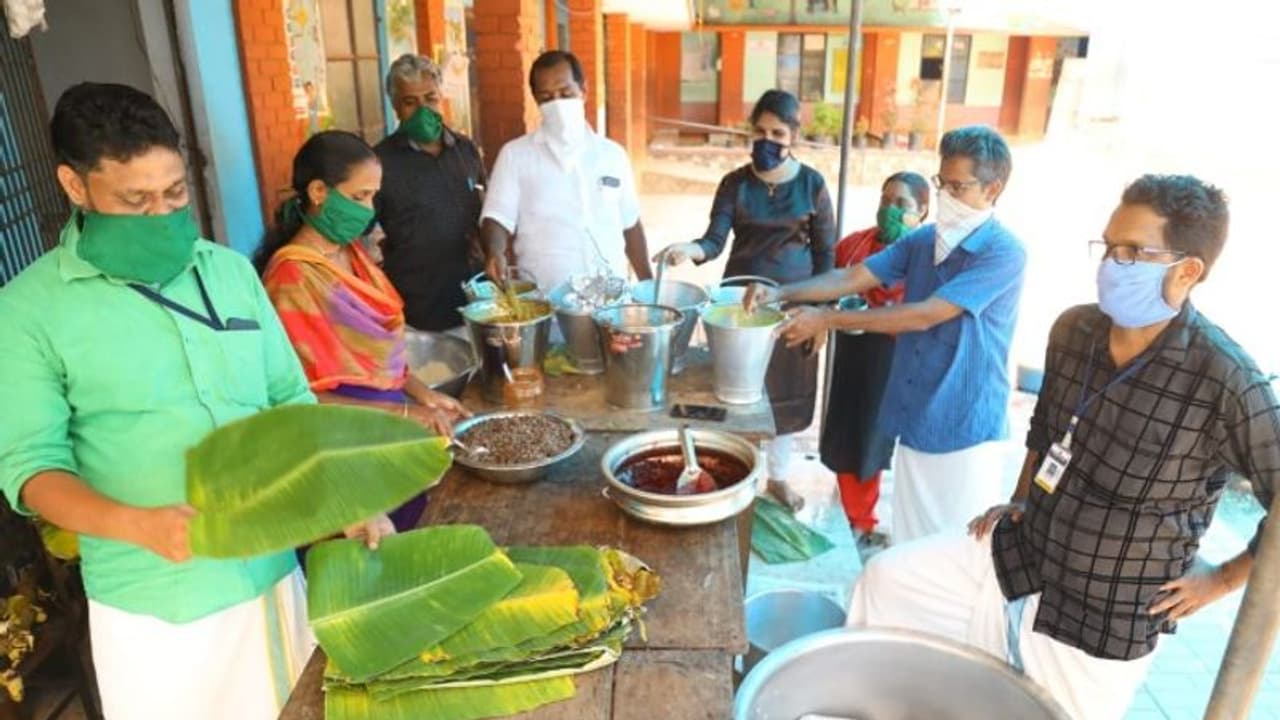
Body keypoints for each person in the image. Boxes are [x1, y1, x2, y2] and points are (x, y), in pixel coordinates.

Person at [0, 83, 386, 720]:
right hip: (158, 617)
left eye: (175, 192)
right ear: (75, 186)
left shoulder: (229, 272)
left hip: (273, 580)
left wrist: (340, 495)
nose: (162, 214)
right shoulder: (28, 311)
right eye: (136, 199)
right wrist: (137, 524)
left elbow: (288, 400)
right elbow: (31, 471)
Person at [848, 175, 1278, 720]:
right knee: (885, 583)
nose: (1111, 265)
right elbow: (1046, 432)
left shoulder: (1226, 381)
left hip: (1105, 616)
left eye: (1132, 252)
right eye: (1108, 247)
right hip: (1021, 556)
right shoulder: (1075, 330)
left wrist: (1221, 579)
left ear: (1188, 270)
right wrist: (1023, 497)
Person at [745, 125, 1025, 539]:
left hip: (964, 425)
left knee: (957, 546)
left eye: (958, 187)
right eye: (941, 184)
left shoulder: (1003, 253)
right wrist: (778, 292)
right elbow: (855, 275)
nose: (947, 196)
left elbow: (926, 315)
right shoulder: (926, 241)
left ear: (992, 189)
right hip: (917, 415)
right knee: (912, 538)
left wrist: (827, 320)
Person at [255, 130, 469, 530]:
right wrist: (401, 413)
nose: (369, 211)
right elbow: (296, 398)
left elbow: (382, 356)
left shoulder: (353, 254)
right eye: (359, 197)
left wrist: (426, 397)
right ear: (319, 191)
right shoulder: (291, 279)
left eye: (373, 196)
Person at [663, 89, 835, 512]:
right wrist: (691, 250)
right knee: (740, 392)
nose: (767, 140)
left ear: (794, 135)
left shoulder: (812, 185)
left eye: (778, 132)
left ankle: (776, 477)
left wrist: (823, 316)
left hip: (795, 306)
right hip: (738, 308)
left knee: (786, 395)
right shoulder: (735, 183)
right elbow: (714, 240)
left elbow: (827, 256)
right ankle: (740, 477)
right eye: (759, 131)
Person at [481, 50, 652, 292]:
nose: (558, 104)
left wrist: (648, 285)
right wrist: (495, 252)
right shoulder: (515, 155)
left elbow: (630, 223)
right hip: (546, 301)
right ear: (536, 101)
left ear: (584, 91)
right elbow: (497, 216)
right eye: (547, 97)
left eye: (565, 93)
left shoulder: (613, 155)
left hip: (612, 302)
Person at [819, 171, 929, 544]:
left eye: (902, 205)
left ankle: (868, 520)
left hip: (899, 357)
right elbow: (826, 278)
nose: (891, 210)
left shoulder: (928, 257)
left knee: (883, 441)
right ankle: (857, 517)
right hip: (855, 354)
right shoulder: (855, 246)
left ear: (923, 212)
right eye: (885, 200)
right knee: (854, 434)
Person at [374, 54, 486, 332]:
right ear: (395, 107)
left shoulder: (465, 150)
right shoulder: (378, 163)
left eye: (430, 98)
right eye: (410, 102)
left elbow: (485, 204)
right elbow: (366, 236)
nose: (423, 109)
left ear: (441, 97)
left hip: (476, 300)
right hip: (418, 308)